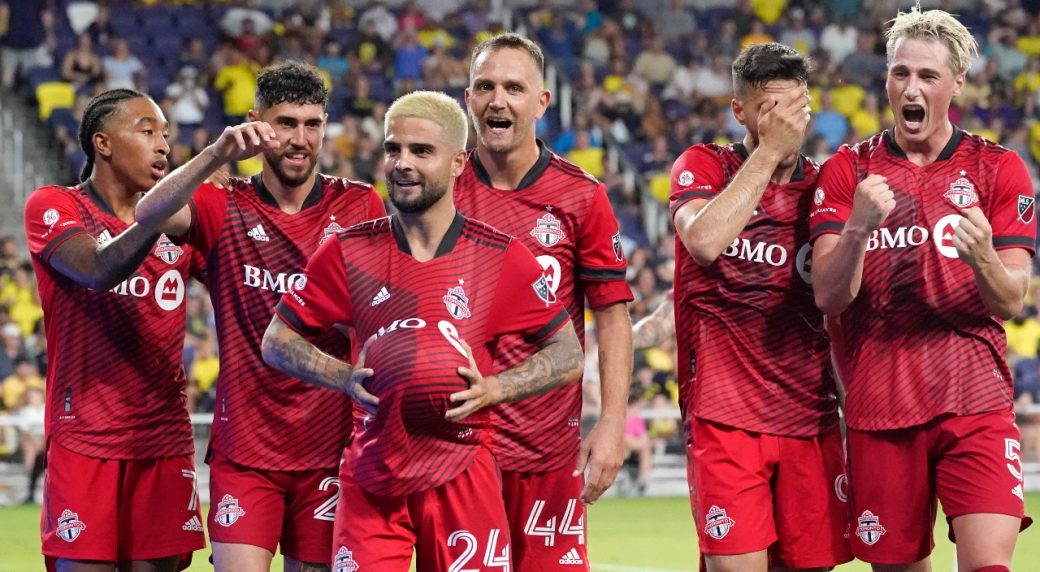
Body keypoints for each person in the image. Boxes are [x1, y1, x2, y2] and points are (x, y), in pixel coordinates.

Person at [261, 89, 584, 571]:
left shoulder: (501, 256)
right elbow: (277, 342)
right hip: (373, 475)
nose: (402, 163)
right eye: (394, 149)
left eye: (421, 151)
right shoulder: (347, 251)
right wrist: (344, 377)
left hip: (464, 473)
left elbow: (567, 353)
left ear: (457, 163)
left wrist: (498, 387)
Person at [135, 62, 386, 572]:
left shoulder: (358, 205)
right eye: (286, 123)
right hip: (246, 448)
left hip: (330, 448)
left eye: (312, 124)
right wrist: (215, 154)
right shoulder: (223, 199)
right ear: (256, 123)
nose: (300, 139)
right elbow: (148, 213)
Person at [810, 8, 1035, 571]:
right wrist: (859, 225)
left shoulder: (998, 169)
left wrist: (983, 255)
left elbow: (1010, 301)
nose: (911, 88)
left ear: (956, 82)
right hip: (880, 407)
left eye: (927, 76)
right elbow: (829, 298)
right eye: (900, 73)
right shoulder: (847, 170)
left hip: (973, 402)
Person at [669, 43, 850, 571]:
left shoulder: (826, 188)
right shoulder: (704, 164)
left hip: (811, 419)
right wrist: (767, 153)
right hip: (724, 417)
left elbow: (844, 310)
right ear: (740, 111)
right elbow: (703, 241)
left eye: (797, 108)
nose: (789, 123)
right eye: (772, 111)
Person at [455, 33, 633, 570]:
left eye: (513, 87)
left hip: (547, 453)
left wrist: (611, 424)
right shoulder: (442, 186)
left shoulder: (582, 197)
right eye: (484, 87)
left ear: (541, 102)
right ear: (468, 99)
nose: (497, 100)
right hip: (459, 449)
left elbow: (612, 317)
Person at [24, 88, 204, 570]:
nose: (164, 145)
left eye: (166, 134)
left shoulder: (183, 226)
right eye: (147, 131)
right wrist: (178, 195)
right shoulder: (54, 205)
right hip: (85, 436)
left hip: (163, 439)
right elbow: (98, 269)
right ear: (102, 143)